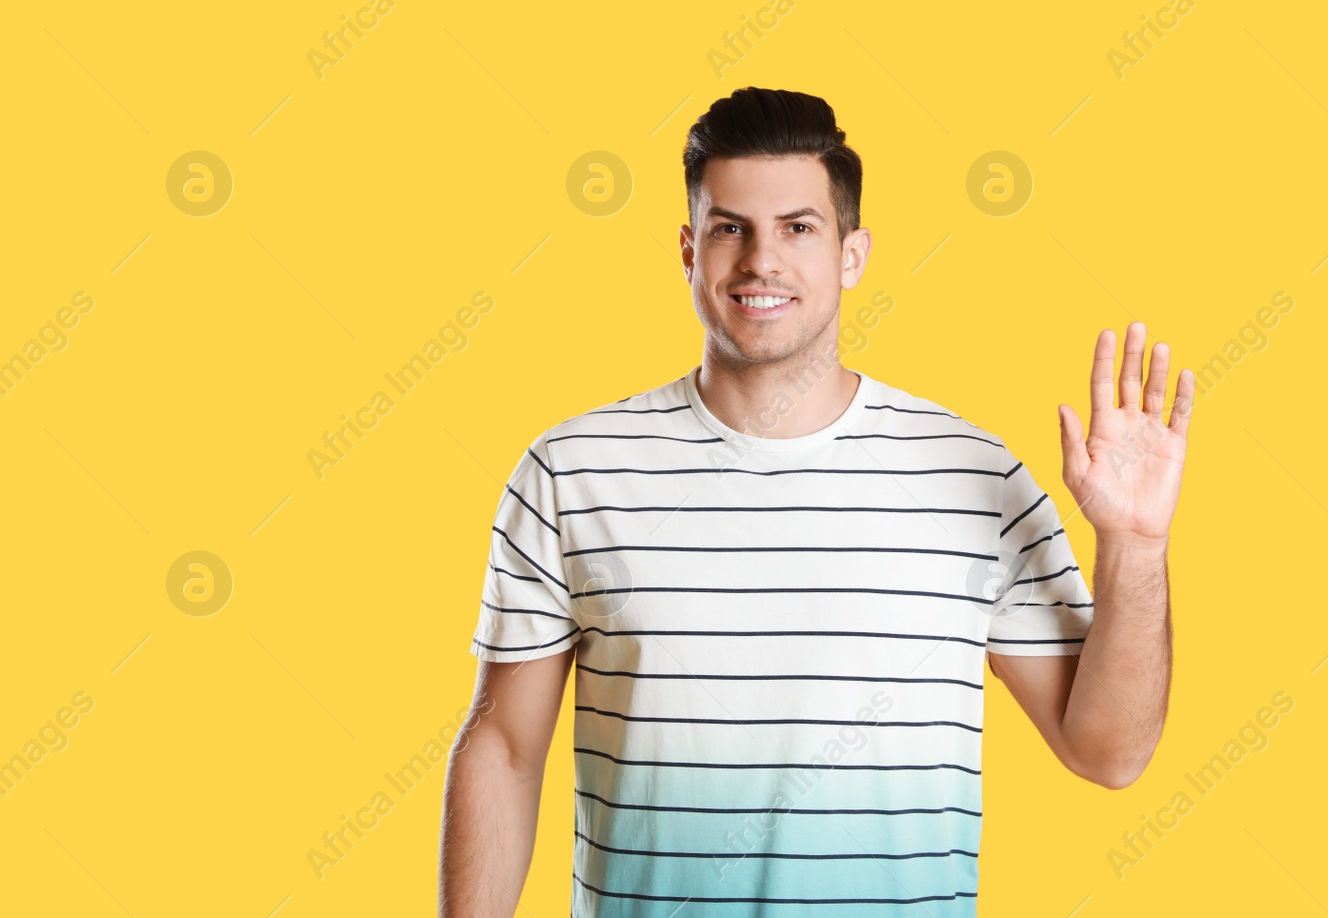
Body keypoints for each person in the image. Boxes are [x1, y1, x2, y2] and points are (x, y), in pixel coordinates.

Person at [438, 87, 1193, 917]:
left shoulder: (978, 478)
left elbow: (1110, 752)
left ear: (852, 255)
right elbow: (505, 750)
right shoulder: (571, 473)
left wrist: (1133, 545)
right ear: (689, 251)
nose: (763, 260)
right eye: (732, 228)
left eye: (799, 227)